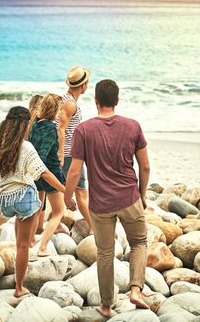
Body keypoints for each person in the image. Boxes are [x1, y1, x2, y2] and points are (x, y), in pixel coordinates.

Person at [64, 79, 150, 318]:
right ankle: (135, 290)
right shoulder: (133, 126)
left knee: (105, 254)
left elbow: (74, 170)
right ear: (117, 101)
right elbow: (144, 166)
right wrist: (142, 194)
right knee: (139, 243)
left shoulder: (84, 130)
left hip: (100, 204)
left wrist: (68, 196)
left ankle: (106, 305)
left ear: (96, 101)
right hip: (129, 198)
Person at [0, 106, 66, 298]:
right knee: (23, 245)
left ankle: (18, 272)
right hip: (24, 199)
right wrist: (66, 190)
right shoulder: (25, 147)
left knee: (18, 242)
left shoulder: (0, 145)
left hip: (6, 199)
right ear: (24, 124)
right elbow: (44, 173)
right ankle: (19, 288)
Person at [29, 93, 71, 256]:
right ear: (55, 110)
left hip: (35, 175)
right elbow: (42, 156)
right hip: (50, 173)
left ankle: (32, 239)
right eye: (59, 109)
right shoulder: (51, 129)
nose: (60, 113)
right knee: (58, 212)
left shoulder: (34, 125)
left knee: (38, 209)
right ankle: (42, 247)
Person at [58, 66, 92, 232]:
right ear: (83, 85)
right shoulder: (70, 104)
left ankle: (55, 223)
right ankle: (94, 227)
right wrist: (61, 154)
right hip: (70, 154)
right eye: (87, 83)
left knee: (60, 190)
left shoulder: (66, 100)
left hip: (70, 153)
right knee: (81, 193)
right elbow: (61, 128)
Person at [27, 94, 45, 234]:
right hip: (39, 164)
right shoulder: (41, 124)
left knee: (33, 198)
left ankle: (35, 229)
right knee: (40, 199)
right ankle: (37, 230)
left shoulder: (26, 124)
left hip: (27, 166)